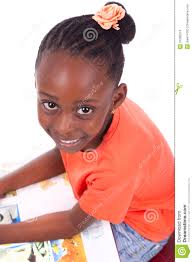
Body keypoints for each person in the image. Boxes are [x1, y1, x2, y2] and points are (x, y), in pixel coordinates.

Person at [0, 2, 174, 261]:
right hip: (114, 194)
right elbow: (64, 154)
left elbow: (73, 224)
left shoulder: (121, 165)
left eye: (83, 110)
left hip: (140, 227)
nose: (63, 127)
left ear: (117, 98)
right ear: (36, 84)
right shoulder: (98, 108)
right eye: (50, 104)